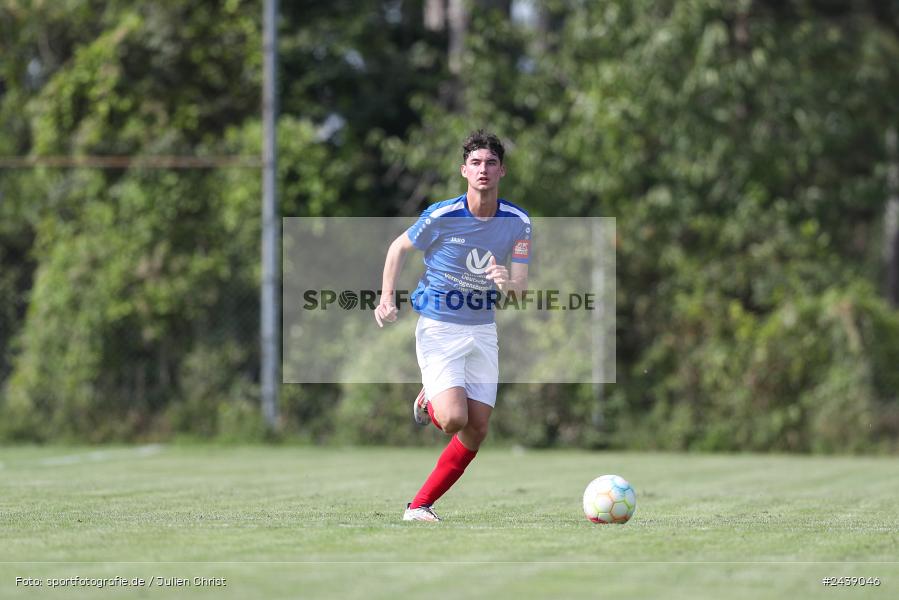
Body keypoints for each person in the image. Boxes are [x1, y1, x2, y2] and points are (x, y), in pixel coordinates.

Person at [374, 130, 531, 522]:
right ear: (464, 170)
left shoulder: (518, 223)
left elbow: (520, 290)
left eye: (491, 163)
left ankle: (419, 506)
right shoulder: (443, 215)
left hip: (483, 331)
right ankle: (430, 397)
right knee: (454, 420)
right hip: (440, 328)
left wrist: (505, 282)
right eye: (476, 163)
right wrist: (386, 296)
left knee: (477, 429)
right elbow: (398, 247)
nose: (483, 170)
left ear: (502, 171)